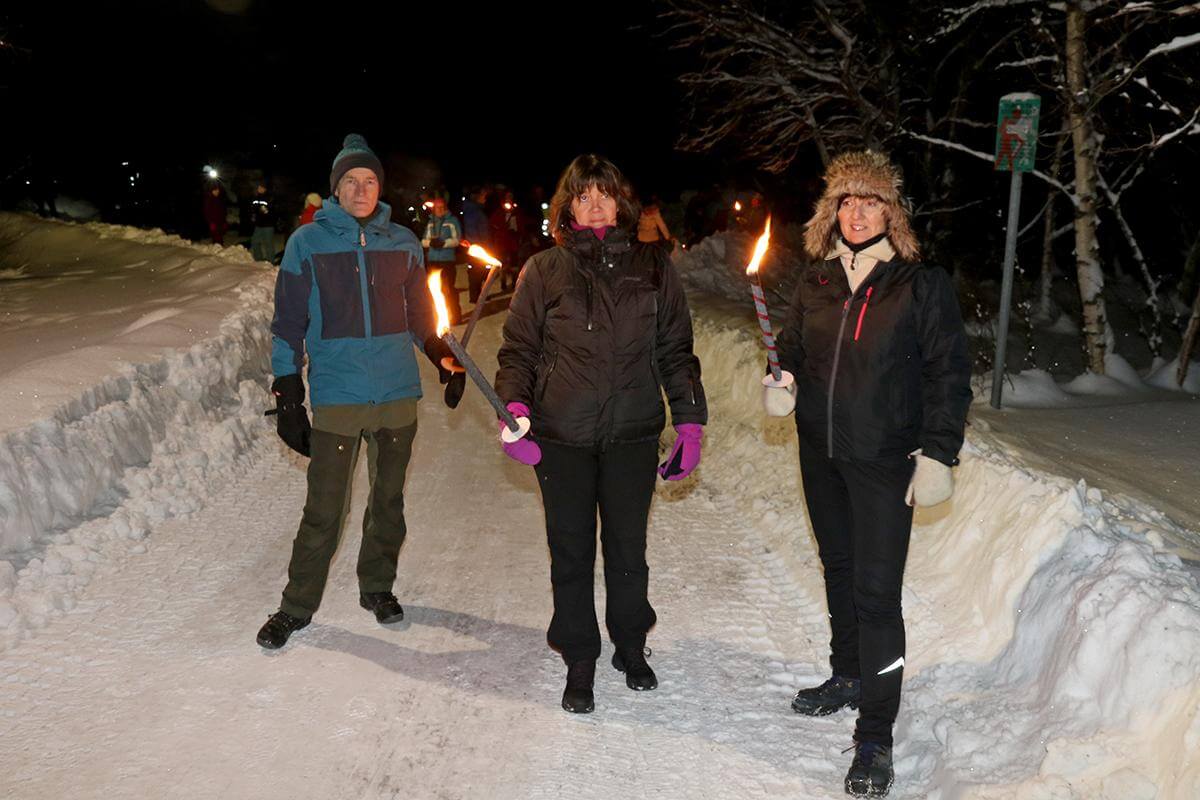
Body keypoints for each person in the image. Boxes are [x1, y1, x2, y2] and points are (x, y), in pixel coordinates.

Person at [765, 150, 971, 797]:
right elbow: (792, 348)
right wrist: (782, 379)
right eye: (847, 202)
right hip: (821, 454)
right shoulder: (816, 281)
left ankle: (876, 736)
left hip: (886, 462)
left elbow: (948, 375)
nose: (858, 213)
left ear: (891, 210)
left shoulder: (919, 284)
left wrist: (939, 452)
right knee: (839, 570)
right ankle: (849, 674)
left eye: (870, 201)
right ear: (833, 211)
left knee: (877, 595)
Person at [494, 154, 708, 714]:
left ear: (621, 202)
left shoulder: (654, 266)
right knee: (569, 550)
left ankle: (630, 644)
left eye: (604, 194)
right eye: (583, 195)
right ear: (567, 206)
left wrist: (689, 420)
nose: (594, 204)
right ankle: (580, 653)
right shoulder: (544, 270)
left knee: (628, 548)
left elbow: (675, 350)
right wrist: (513, 406)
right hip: (561, 433)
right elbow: (519, 348)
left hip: (632, 431)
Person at [257, 133, 463, 650]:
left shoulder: (404, 243)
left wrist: (442, 357)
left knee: (388, 500)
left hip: (396, 392)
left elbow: (420, 317)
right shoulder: (308, 243)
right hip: (339, 396)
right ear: (335, 189)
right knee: (326, 507)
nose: (361, 189)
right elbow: (288, 324)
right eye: (351, 180)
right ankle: (296, 605)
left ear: (380, 187)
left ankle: (377, 586)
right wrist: (288, 392)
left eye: (369, 180)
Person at [421, 196, 463, 325]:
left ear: (445, 208)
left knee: (449, 289)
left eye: (441, 207)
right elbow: (423, 241)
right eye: (436, 208)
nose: (438, 210)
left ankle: (455, 316)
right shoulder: (430, 222)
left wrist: (444, 243)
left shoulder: (452, 221)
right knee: (433, 289)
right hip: (433, 260)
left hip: (447, 260)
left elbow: (458, 240)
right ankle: (438, 316)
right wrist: (431, 243)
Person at [461, 187, 491, 303]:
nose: (485, 199)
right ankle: (476, 296)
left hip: (480, 245)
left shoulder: (476, 210)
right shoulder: (473, 211)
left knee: (480, 270)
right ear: (477, 196)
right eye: (483, 196)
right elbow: (472, 229)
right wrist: (479, 245)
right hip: (477, 246)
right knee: (476, 271)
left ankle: (479, 295)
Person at [250, 183, 276, 262]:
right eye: (259, 187)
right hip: (258, 224)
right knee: (254, 242)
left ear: (265, 188)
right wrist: (254, 213)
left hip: (268, 225)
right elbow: (254, 209)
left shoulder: (269, 197)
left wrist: (260, 210)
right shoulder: (256, 197)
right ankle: (258, 259)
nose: (259, 189)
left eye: (261, 187)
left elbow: (267, 211)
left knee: (268, 243)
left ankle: (270, 261)